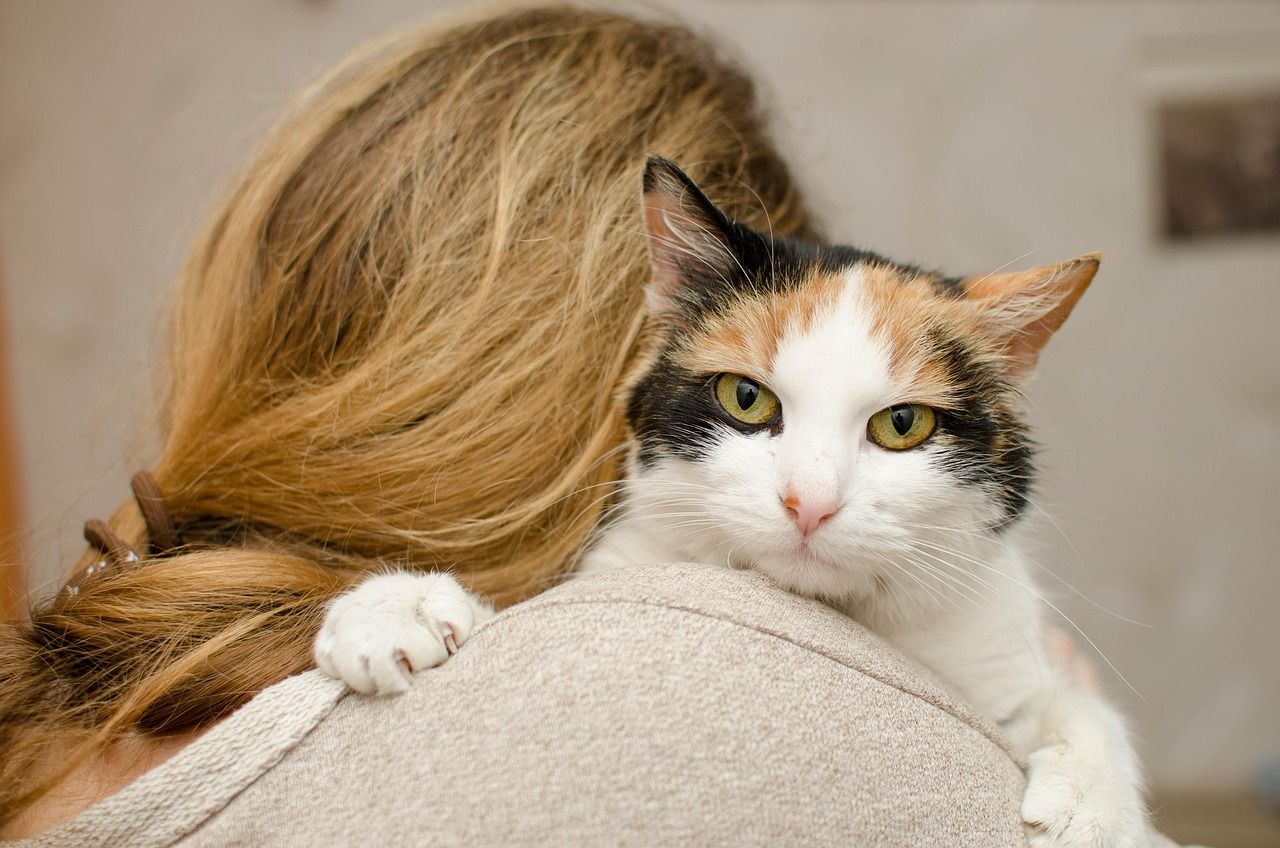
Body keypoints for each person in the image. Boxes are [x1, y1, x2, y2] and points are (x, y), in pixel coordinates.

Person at [0, 6, 1184, 846]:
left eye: (900, 426)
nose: (809, 490)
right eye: (748, 402)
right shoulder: (644, 640)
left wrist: (1074, 738)